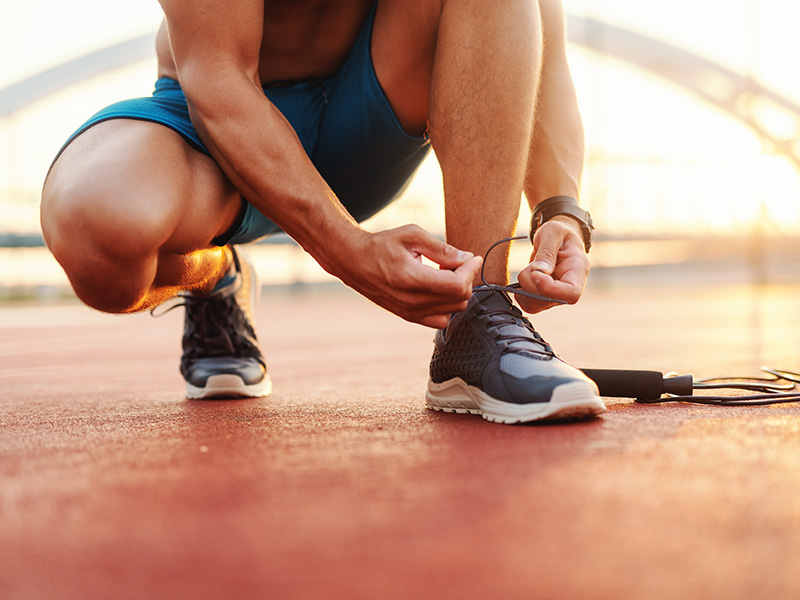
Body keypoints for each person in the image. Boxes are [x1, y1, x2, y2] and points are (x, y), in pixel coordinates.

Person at [40, 0, 606, 424]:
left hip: (373, 112)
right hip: (222, 124)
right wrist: (349, 254)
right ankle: (217, 274)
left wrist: (561, 210)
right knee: (98, 237)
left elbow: (543, 48)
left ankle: (480, 312)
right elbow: (218, 78)